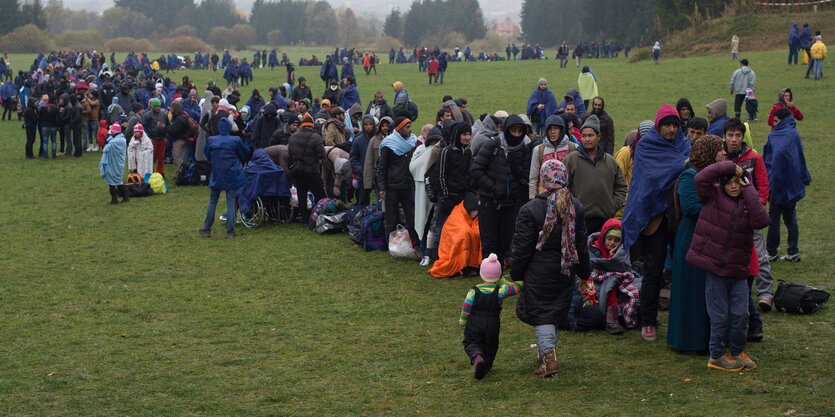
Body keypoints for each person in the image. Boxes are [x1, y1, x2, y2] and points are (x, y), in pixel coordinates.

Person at [686, 160, 769, 371]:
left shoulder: (749, 203)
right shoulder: (712, 197)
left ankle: (738, 351)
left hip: (738, 270)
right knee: (720, 315)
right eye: (730, 182)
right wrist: (729, 167)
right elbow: (700, 178)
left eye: (737, 182)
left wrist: (748, 184)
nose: (734, 186)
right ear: (722, 184)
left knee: (742, 314)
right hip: (716, 270)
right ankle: (716, 355)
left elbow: (761, 220)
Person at [512, 160, 590, 378]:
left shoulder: (531, 210)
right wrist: (585, 272)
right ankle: (545, 351)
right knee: (552, 311)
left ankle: (549, 358)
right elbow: (581, 245)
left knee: (542, 314)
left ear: (544, 180)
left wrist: (516, 274)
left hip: (538, 272)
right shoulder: (576, 206)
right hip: (565, 271)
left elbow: (522, 247)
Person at [622, 105, 690, 342]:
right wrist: (680, 166)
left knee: (683, 268)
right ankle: (648, 320)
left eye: (674, 124)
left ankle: (682, 317)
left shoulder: (684, 145)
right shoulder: (646, 148)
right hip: (655, 216)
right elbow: (647, 181)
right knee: (653, 269)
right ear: (659, 125)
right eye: (666, 125)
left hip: (680, 214)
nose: (671, 129)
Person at [668, 134, 726, 354]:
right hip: (692, 238)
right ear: (708, 152)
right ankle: (690, 340)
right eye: (719, 149)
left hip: (709, 236)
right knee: (692, 291)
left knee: (708, 291)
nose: (723, 153)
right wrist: (722, 211)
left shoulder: (715, 175)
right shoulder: (689, 175)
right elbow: (691, 207)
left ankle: (708, 338)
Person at [723, 119, 773, 312]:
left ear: (743, 137)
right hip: (727, 218)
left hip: (749, 216)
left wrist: (757, 207)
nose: (734, 139)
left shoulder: (754, 158)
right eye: (730, 135)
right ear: (724, 137)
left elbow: (763, 187)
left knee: (759, 255)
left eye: (737, 135)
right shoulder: (721, 159)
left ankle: (765, 292)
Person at [470, 115, 530, 264]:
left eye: (519, 131)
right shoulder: (493, 145)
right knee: (490, 243)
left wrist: (515, 165)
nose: (516, 135)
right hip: (489, 201)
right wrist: (494, 187)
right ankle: (489, 279)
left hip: (510, 203)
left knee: (504, 243)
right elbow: (476, 170)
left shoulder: (523, 149)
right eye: (513, 130)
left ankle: (498, 273)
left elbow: (525, 176)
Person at [459, 253, 522, 380]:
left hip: (474, 323)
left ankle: (477, 357)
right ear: (498, 275)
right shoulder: (501, 290)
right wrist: (521, 280)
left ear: (482, 273)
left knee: (471, 342)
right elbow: (516, 288)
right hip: (493, 323)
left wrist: (463, 321)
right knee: (491, 345)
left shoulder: (473, 291)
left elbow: (466, 308)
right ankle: (486, 366)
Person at [563, 115, 627, 234]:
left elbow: (621, 186)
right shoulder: (571, 160)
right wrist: (573, 205)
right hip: (579, 220)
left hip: (605, 220)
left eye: (590, 135)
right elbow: (563, 187)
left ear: (598, 136)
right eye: (584, 136)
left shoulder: (610, 161)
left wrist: (612, 205)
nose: (587, 139)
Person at [763, 108, 811, 263]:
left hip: (778, 183)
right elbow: (800, 158)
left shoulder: (777, 135)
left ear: (782, 120)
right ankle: (793, 251)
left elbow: (775, 158)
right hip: (792, 182)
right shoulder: (793, 133)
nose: (773, 125)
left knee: (774, 217)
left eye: (776, 121)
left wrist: (771, 181)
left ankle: (771, 252)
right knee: (791, 217)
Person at [198, 117, 250, 238]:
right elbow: (245, 153)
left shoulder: (211, 140)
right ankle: (230, 231)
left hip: (217, 173)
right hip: (231, 173)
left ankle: (207, 228)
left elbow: (207, 154)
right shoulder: (235, 140)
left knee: (213, 201)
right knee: (230, 202)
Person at [588, 218, 640, 335]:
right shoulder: (593, 247)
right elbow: (592, 265)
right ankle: (611, 320)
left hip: (619, 278)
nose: (611, 243)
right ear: (603, 237)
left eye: (616, 240)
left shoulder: (622, 249)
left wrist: (616, 257)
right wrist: (609, 260)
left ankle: (641, 315)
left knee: (636, 288)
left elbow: (625, 267)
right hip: (597, 280)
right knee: (610, 287)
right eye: (609, 238)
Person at [377, 116, 419, 249]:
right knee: (391, 218)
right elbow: (382, 167)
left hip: (408, 185)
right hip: (392, 186)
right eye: (407, 127)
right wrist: (382, 188)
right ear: (399, 128)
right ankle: (391, 246)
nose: (409, 130)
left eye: (410, 127)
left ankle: (414, 244)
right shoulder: (388, 144)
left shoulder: (413, 142)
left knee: (411, 217)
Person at [430, 194, 481, 278]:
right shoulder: (457, 215)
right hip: (452, 245)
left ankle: (469, 265)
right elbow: (460, 233)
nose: (476, 212)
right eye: (474, 210)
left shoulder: (469, 214)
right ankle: (460, 266)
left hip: (464, 242)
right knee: (464, 235)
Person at [289, 114, 327, 222]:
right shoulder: (316, 137)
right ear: (312, 126)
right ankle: (321, 215)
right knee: (320, 194)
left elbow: (290, 155)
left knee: (302, 194)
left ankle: (305, 217)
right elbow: (321, 155)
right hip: (312, 171)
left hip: (298, 171)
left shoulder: (293, 137)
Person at [529, 115, 575, 199]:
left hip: (566, 198)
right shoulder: (539, 150)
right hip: (544, 198)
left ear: (561, 130)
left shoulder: (573, 147)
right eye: (549, 129)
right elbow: (533, 178)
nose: (552, 132)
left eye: (556, 128)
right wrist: (532, 198)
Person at [350, 115, 376, 206]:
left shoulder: (378, 139)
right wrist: (361, 170)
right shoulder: (358, 140)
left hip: (377, 175)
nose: (368, 127)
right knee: (362, 201)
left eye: (370, 124)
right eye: (365, 124)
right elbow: (353, 158)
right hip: (363, 175)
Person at [99, 123, 128, 204]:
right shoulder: (121, 139)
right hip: (117, 163)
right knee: (118, 181)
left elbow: (105, 148)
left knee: (112, 182)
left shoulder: (116, 141)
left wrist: (108, 136)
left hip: (114, 164)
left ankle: (114, 199)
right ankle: (125, 197)